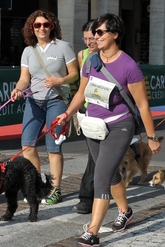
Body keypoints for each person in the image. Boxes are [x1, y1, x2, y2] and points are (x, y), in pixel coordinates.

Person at [56, 13, 161, 247]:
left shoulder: (129, 66)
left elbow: (142, 104)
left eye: (100, 32)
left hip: (119, 125)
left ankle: (92, 232)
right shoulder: (91, 60)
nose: (95, 36)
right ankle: (126, 210)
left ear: (115, 34)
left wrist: (152, 136)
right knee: (111, 175)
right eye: (95, 32)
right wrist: (67, 114)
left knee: (101, 177)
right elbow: (82, 92)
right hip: (93, 125)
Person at [10, 10, 79, 205]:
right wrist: (18, 90)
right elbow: (24, 79)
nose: (42, 28)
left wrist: (61, 79)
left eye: (46, 24)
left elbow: (74, 74)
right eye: (37, 25)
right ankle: (36, 184)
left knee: (53, 147)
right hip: (34, 101)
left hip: (56, 100)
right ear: (31, 28)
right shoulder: (28, 50)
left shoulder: (63, 47)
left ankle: (55, 189)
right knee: (27, 146)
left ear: (52, 26)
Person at [72, 20, 98, 214]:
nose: (89, 42)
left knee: (98, 157)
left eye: (92, 38)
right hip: (87, 110)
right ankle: (88, 197)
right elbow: (82, 86)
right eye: (86, 38)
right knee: (94, 155)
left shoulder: (112, 55)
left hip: (108, 111)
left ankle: (90, 196)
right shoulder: (82, 55)